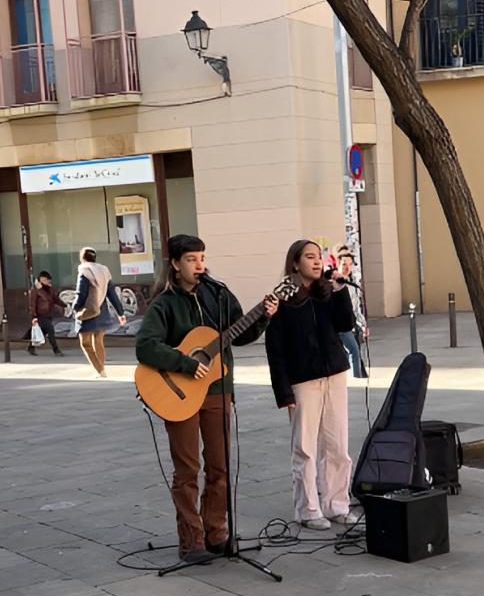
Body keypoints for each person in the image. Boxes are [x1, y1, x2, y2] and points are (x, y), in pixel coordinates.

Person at [136, 234, 279, 563]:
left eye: (201, 257)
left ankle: (217, 533)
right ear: (175, 264)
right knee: (187, 469)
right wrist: (186, 363)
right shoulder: (164, 304)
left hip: (218, 390)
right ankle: (191, 541)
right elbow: (145, 346)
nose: (199, 265)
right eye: (191, 259)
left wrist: (264, 317)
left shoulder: (218, 294)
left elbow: (239, 335)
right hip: (180, 393)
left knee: (220, 465)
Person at [265, 239, 357, 531]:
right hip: (302, 380)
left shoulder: (327, 293)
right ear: (295, 263)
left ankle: (336, 504)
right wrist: (283, 391)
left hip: (335, 374)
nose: (317, 262)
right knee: (305, 447)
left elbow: (345, 325)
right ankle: (307, 509)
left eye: (319, 257)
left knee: (338, 445)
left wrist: (341, 290)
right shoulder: (283, 301)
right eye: (309, 257)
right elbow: (275, 349)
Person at [74, 247, 126, 379]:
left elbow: (81, 293)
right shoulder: (104, 271)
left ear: (82, 257)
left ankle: (100, 371)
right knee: (98, 340)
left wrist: (75, 308)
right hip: (102, 311)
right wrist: (120, 312)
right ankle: (102, 369)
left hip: (88, 311)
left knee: (85, 343)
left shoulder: (84, 271)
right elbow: (112, 294)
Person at [334, 248, 368, 381]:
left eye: (349, 264)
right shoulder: (335, 284)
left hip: (352, 323)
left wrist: (363, 325)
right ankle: (356, 377)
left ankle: (358, 374)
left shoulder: (352, 283)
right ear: (338, 265)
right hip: (342, 325)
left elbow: (356, 308)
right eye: (344, 264)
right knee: (353, 350)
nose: (347, 267)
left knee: (356, 349)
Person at [28, 270, 66, 357]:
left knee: (43, 332)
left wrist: (65, 305)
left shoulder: (50, 290)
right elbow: (33, 304)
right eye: (42, 280)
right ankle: (56, 350)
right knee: (50, 330)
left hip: (48, 314)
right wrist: (33, 316)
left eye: (46, 280)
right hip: (40, 315)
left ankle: (31, 347)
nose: (45, 282)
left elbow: (55, 300)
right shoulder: (36, 290)